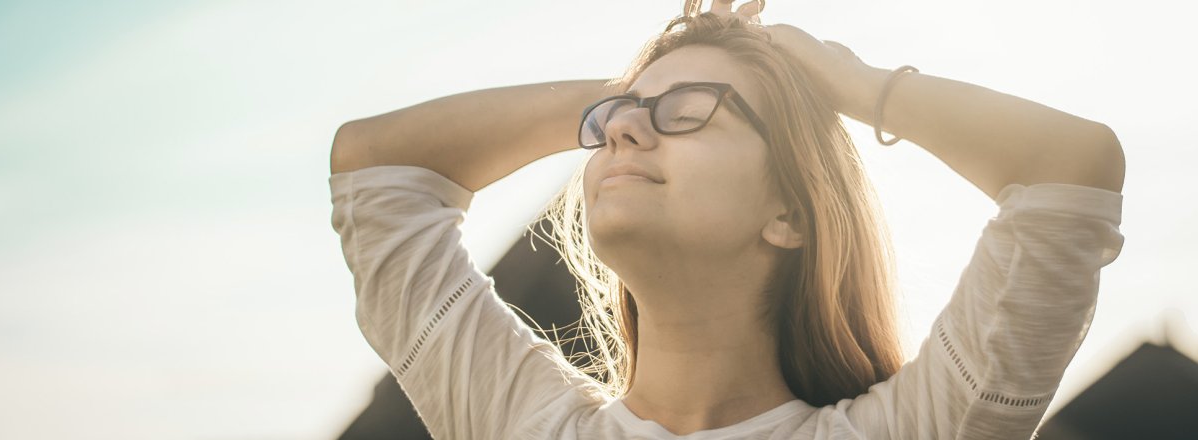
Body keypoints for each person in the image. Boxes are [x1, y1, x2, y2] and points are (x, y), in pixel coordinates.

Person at [327, 0, 1126, 438]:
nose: (624, 132)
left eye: (688, 112)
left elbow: (1069, 169)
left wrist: (851, 83)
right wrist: (628, 91)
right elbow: (374, 166)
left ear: (790, 212)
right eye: (613, 122)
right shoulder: (523, 424)